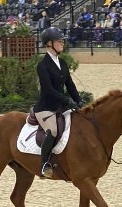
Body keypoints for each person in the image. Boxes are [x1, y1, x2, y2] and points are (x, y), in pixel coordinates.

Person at [33, 27, 84, 178]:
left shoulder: (62, 62)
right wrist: (67, 100)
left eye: (62, 41)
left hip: (60, 106)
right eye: (59, 41)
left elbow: (70, 84)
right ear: (49, 44)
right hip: (46, 107)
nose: (62, 43)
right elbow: (48, 90)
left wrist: (79, 100)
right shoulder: (42, 65)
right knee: (53, 131)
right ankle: (44, 165)